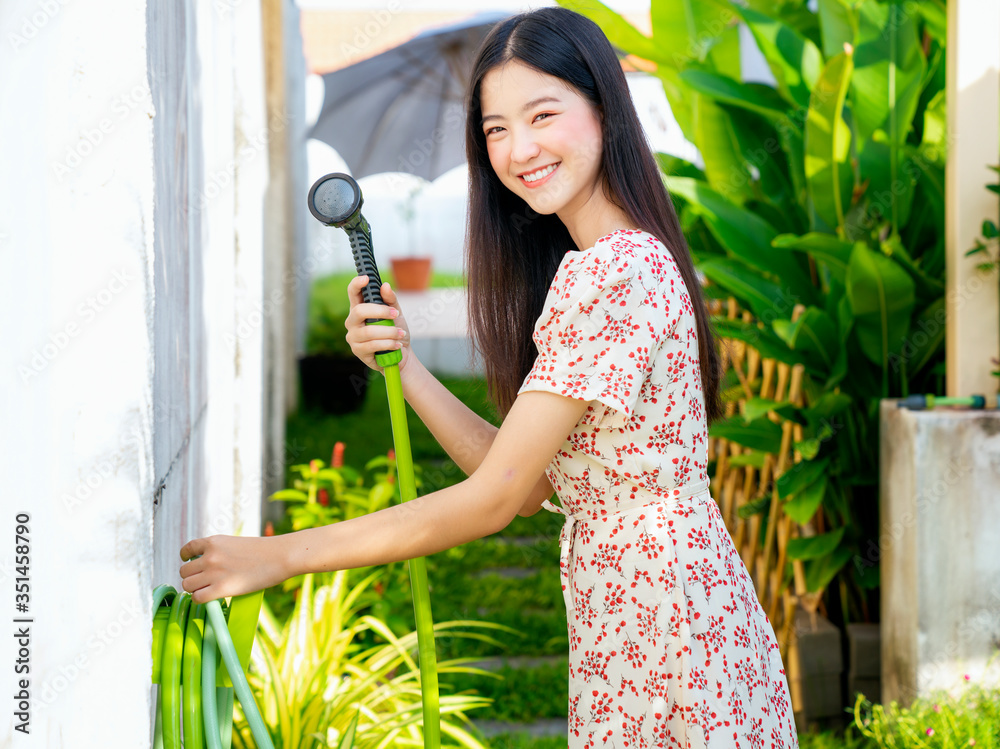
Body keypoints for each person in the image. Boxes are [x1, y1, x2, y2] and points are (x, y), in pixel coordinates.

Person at [181, 7, 798, 746]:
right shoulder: (605, 262)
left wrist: (279, 555)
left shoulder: (616, 270)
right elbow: (531, 480)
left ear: (605, 107)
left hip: (665, 625)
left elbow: (496, 497)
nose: (519, 148)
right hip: (648, 610)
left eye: (543, 114)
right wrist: (406, 367)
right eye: (496, 128)